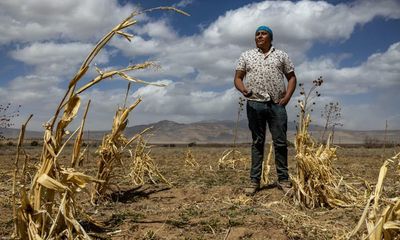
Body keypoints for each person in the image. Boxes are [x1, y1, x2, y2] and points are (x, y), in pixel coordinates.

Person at [234, 25, 297, 195]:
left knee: (280, 142)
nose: (259, 36)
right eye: (257, 34)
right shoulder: (246, 56)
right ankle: (254, 181)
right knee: (257, 142)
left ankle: (283, 180)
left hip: (277, 104)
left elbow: (291, 78)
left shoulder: (281, 55)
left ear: (270, 37)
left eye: (263, 33)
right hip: (255, 103)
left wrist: (287, 97)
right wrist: (243, 89)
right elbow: (238, 78)